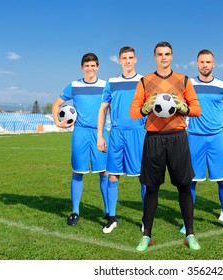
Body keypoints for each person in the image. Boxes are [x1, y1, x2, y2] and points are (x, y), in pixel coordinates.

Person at [130, 42, 202, 251]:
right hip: (153, 138)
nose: (164, 57)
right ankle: (147, 236)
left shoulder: (184, 80)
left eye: (167, 54)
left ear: (172, 57)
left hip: (178, 137)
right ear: (155, 57)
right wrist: (145, 108)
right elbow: (133, 112)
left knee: (184, 186)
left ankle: (190, 234)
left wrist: (184, 107)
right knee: (151, 188)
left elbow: (197, 109)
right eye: (160, 54)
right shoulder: (145, 81)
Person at [179, 49, 223, 235]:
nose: (205, 65)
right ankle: (187, 222)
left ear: (214, 64)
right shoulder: (188, 84)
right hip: (194, 137)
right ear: (197, 64)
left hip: (215, 138)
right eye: (202, 62)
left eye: (208, 62)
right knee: (190, 182)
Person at [52, 52, 108, 226]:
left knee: (104, 172)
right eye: (87, 66)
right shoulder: (73, 85)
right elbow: (56, 104)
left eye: (93, 65)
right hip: (80, 133)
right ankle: (75, 212)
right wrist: (57, 122)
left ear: (97, 67)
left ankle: (108, 212)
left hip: (100, 132)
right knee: (77, 171)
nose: (90, 69)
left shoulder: (106, 86)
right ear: (82, 68)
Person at [97, 46, 146, 234]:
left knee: (144, 178)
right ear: (119, 60)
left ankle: (145, 218)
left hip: (138, 133)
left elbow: (150, 109)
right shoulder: (112, 82)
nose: (127, 61)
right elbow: (102, 110)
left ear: (135, 59)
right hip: (116, 134)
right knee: (112, 176)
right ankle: (112, 218)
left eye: (130, 57)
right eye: (124, 58)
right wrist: (100, 135)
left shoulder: (143, 81)